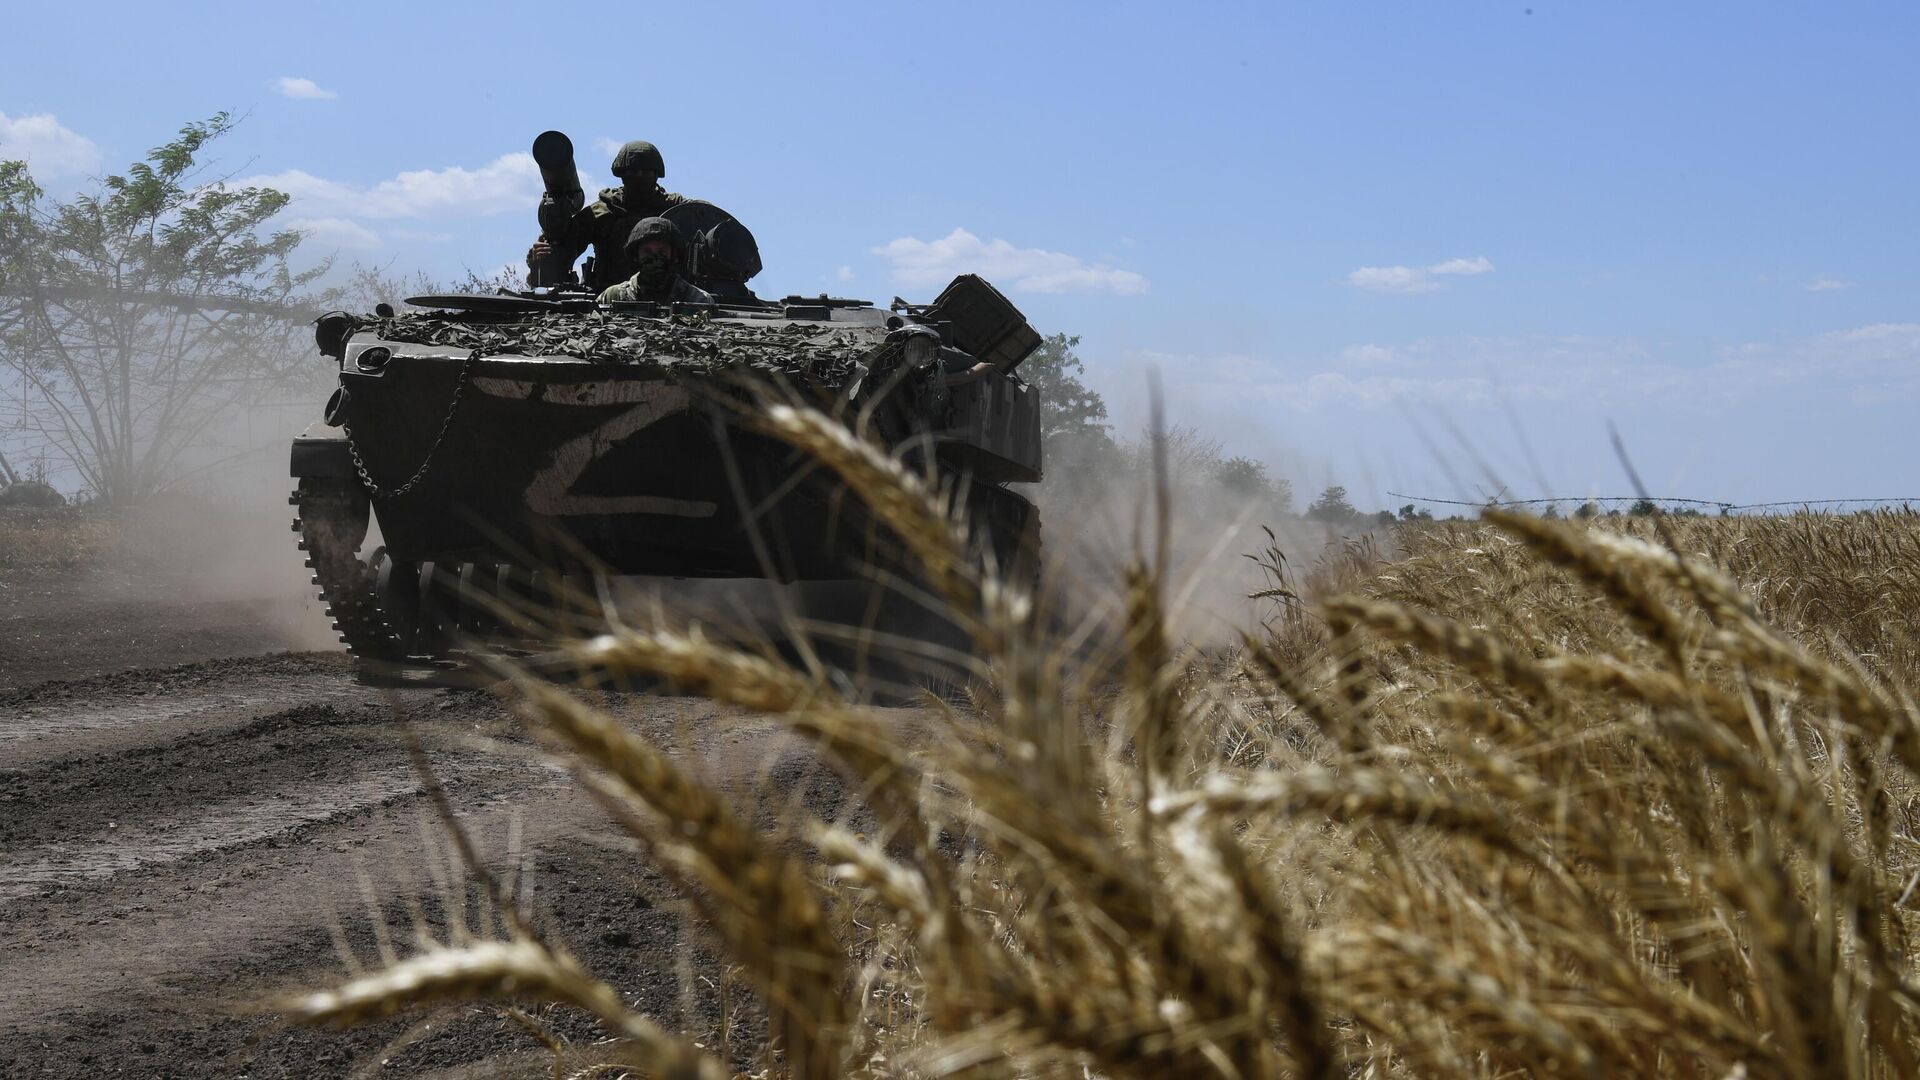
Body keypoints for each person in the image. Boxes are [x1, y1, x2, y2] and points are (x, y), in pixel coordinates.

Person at [526, 140, 687, 290]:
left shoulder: (677, 209)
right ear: (622, 175)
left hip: (669, 297)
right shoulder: (602, 213)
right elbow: (564, 249)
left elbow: (706, 218)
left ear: (656, 175)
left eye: (646, 173)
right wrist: (539, 259)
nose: (640, 177)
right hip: (607, 301)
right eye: (633, 172)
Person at [597, 218, 715, 305]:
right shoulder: (613, 296)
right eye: (647, 251)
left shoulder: (698, 301)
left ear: (674, 256)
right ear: (635, 256)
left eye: (661, 251)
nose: (654, 257)